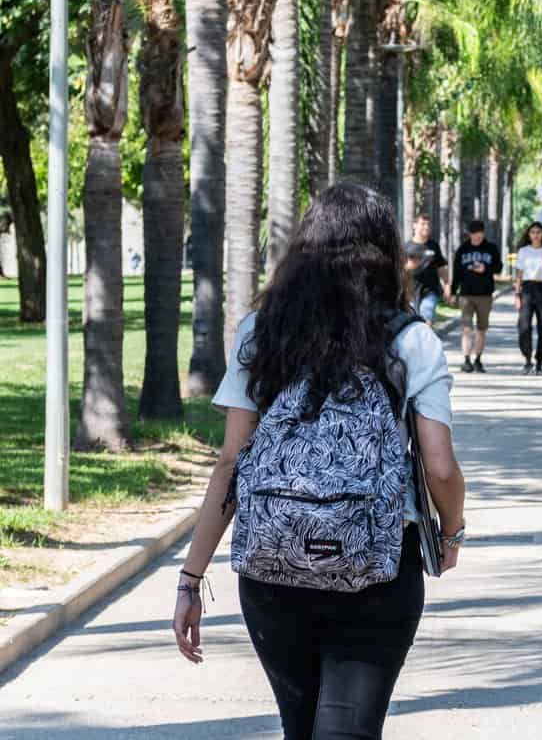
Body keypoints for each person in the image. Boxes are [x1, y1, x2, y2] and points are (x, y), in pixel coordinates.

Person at [171, 184, 466, 739]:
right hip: (376, 568)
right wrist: (452, 534)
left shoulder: (261, 333)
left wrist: (191, 578)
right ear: (383, 251)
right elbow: (440, 467)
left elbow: (232, 461)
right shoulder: (411, 340)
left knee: (299, 728)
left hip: (273, 565)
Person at [454, 219, 502, 373]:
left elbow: (498, 267)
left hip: (485, 295)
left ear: (483, 234)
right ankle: (466, 360)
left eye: (480, 236)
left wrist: (485, 268)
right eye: (475, 236)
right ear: (470, 234)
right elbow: (457, 272)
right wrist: (454, 291)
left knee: (482, 329)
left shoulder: (491, 248)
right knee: (467, 329)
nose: (477, 239)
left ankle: (478, 360)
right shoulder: (463, 249)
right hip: (467, 294)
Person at [514, 221, 542, 374]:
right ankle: (527, 359)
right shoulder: (523, 251)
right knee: (524, 326)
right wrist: (517, 294)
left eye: (538, 232)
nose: (535, 235)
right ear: (528, 234)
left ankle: (539, 361)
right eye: (533, 232)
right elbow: (519, 274)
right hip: (527, 288)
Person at [408, 213, 450, 324]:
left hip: (430, 291)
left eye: (428, 224)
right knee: (412, 323)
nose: (426, 227)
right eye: (423, 224)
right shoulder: (406, 247)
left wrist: (447, 285)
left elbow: (441, 267)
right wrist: (408, 267)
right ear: (414, 225)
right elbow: (399, 271)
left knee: (426, 319)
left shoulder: (434, 246)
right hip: (411, 293)